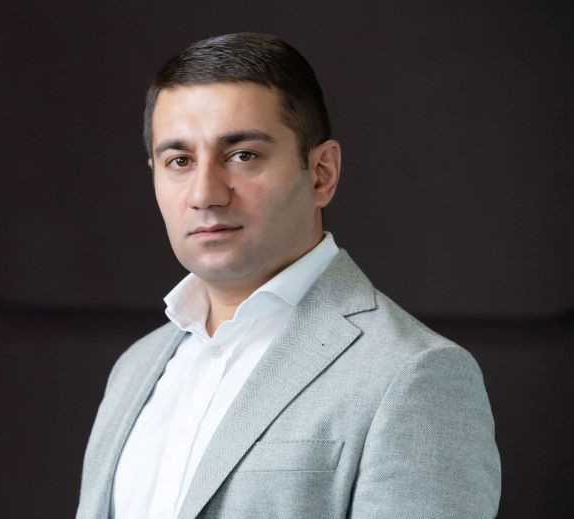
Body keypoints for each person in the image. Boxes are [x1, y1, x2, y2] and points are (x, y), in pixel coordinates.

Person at [76, 33, 500, 519]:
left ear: (321, 174)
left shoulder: (414, 373)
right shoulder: (135, 368)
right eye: (180, 161)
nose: (205, 193)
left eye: (242, 155)